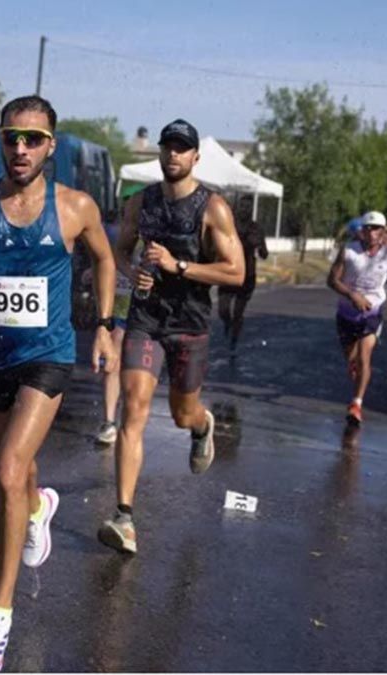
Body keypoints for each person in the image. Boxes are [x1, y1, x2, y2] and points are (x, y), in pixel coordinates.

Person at [0, 95, 117, 673]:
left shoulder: (75, 207)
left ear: (50, 146)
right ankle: (38, 507)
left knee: (7, 471)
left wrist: (106, 327)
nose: (21, 149)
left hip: (47, 358)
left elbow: (106, 260)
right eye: (12, 137)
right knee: (19, 476)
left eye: (33, 139)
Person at [98, 119, 245, 556]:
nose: (173, 155)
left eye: (182, 149)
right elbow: (119, 252)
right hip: (146, 320)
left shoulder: (212, 208)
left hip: (190, 324)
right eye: (168, 148)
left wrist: (178, 267)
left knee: (182, 414)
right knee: (133, 409)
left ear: (195, 157)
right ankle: (124, 516)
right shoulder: (140, 204)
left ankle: (202, 426)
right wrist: (136, 273)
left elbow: (235, 272)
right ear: (159, 153)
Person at [327, 211, 387, 426]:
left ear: (383, 232)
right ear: (362, 231)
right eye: (368, 228)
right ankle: (355, 374)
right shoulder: (349, 251)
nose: (372, 233)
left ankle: (356, 404)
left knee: (365, 356)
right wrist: (352, 295)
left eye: (376, 229)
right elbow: (332, 280)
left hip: (372, 314)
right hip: (346, 313)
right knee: (353, 359)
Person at [217, 210, 268, 352]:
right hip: (228, 272)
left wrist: (259, 247)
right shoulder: (230, 226)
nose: (244, 210)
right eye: (242, 207)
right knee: (223, 309)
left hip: (247, 275)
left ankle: (234, 340)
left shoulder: (256, 229)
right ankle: (228, 323)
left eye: (247, 207)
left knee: (238, 312)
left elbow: (264, 253)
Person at [94, 263, 133, 445]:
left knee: (136, 367)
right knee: (113, 355)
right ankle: (109, 421)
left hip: (147, 306)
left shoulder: (155, 234)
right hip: (120, 302)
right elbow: (103, 256)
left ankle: (133, 418)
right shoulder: (112, 234)